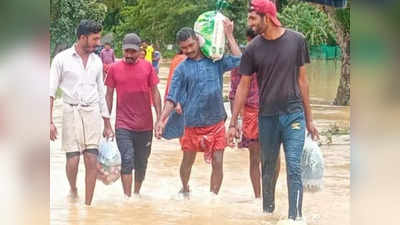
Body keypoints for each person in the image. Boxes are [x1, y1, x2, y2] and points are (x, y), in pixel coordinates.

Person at [228, 0, 319, 223]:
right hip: (267, 117)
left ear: (266, 18)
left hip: (294, 114)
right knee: (267, 169)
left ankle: (295, 219)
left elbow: (303, 81)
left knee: (294, 165)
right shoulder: (252, 49)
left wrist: (310, 119)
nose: (249, 23)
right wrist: (233, 122)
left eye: (252, 18)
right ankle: (268, 215)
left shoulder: (297, 40)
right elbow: (243, 85)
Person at [155, 18, 241, 197]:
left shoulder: (215, 61)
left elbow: (239, 60)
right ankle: (185, 188)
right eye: (184, 48)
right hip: (191, 123)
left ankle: (213, 198)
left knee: (218, 161)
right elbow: (172, 98)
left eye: (191, 45)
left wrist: (229, 35)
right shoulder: (181, 69)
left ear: (197, 40)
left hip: (216, 120)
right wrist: (162, 119)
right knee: (187, 161)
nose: (188, 50)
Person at [49, 19, 114, 206]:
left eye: (99, 38)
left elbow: (101, 93)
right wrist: (49, 122)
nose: (98, 43)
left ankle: (88, 206)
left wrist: (107, 124)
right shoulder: (61, 59)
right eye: (95, 39)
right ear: (82, 37)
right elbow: (50, 91)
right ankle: (73, 188)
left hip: (92, 112)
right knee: (73, 158)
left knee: (91, 158)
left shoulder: (97, 61)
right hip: (71, 111)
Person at [105, 33, 162, 198]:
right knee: (127, 159)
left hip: (145, 125)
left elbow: (155, 93)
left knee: (142, 163)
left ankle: (136, 194)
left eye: (133, 51)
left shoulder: (148, 67)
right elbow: (108, 95)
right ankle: (127, 198)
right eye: (126, 51)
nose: (129, 55)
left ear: (139, 51)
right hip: (123, 124)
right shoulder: (114, 69)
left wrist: (159, 118)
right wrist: (106, 122)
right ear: (122, 50)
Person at [229, 28, 281, 200]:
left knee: (273, 157)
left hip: (273, 111)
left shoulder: (275, 59)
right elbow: (234, 94)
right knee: (255, 158)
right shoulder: (243, 63)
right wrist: (234, 122)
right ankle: (259, 196)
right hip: (252, 114)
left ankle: (269, 193)